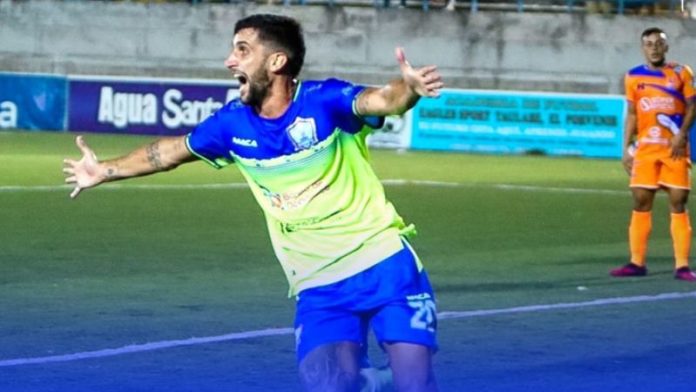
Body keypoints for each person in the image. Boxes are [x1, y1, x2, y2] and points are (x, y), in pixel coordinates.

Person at [63, 13, 442, 392]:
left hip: (384, 265)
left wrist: (407, 88)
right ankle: (371, 382)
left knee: (416, 386)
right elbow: (169, 152)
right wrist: (103, 171)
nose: (230, 61)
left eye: (242, 50)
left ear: (277, 61)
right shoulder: (232, 125)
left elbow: (381, 100)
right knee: (328, 384)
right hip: (317, 286)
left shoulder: (324, 101)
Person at [611, 27, 696, 282]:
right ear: (642, 48)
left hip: (674, 149)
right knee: (640, 202)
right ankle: (637, 262)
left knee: (678, 201)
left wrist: (682, 134)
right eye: (649, 44)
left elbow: (693, 106)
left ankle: (682, 266)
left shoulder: (682, 72)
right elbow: (633, 114)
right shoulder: (633, 77)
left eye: (659, 43)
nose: (654, 47)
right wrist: (625, 148)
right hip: (646, 149)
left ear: (666, 47)